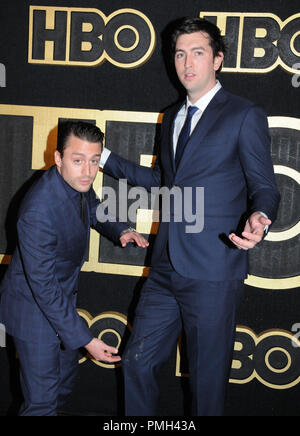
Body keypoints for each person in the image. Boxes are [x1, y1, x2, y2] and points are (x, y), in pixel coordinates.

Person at [99, 18, 281, 416]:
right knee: (136, 362)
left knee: (206, 384)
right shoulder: (171, 118)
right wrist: (106, 160)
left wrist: (260, 216)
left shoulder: (243, 115)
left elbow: (264, 185)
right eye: (180, 53)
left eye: (197, 52)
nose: (187, 62)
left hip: (214, 271)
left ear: (217, 60)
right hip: (164, 267)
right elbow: (164, 181)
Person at [0, 121, 149, 416]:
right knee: (41, 404)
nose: (88, 171)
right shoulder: (38, 211)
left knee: (64, 386)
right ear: (58, 159)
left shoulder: (74, 181)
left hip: (60, 303)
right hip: (34, 309)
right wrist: (87, 341)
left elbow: (92, 205)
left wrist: (120, 230)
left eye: (94, 161)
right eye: (78, 160)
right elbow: (43, 288)